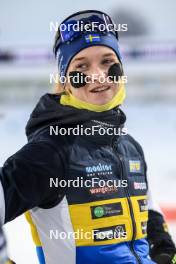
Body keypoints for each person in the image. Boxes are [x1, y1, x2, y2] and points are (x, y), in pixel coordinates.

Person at [0, 10, 176, 264]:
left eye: (107, 61)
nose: (97, 75)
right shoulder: (50, 152)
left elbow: (146, 204)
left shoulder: (129, 146)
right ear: (65, 80)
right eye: (81, 66)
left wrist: (161, 243)